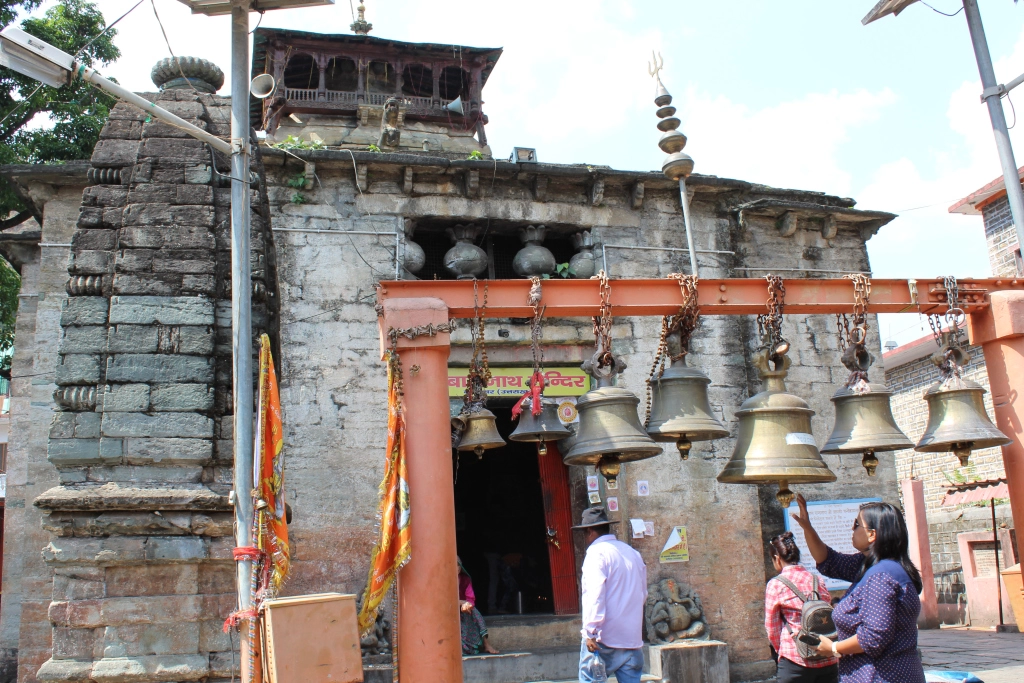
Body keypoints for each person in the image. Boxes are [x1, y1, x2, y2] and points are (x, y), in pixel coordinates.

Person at [790, 494, 926, 683]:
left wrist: (834, 648)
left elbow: (874, 635)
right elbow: (829, 561)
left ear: (872, 534)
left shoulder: (881, 576)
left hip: (881, 676)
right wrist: (807, 528)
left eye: (856, 525)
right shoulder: (872, 566)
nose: (852, 529)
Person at [572, 506, 647, 683]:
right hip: (632, 639)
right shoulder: (632, 553)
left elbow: (594, 595)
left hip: (604, 639)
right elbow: (643, 594)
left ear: (590, 531)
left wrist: (590, 632)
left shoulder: (596, 554)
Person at [764, 531, 839, 683]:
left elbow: (772, 628)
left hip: (795, 660)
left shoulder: (776, 584)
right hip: (826, 658)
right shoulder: (817, 580)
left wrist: (783, 650)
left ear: (777, 559)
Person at [458, 558, 499, 655]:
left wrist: (466, 605)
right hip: (449, 611)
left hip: (464, 609)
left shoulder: (465, 580)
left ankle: (486, 644)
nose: (456, 567)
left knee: (475, 612)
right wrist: (460, 602)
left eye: (458, 565)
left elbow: (470, 599)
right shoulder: (443, 581)